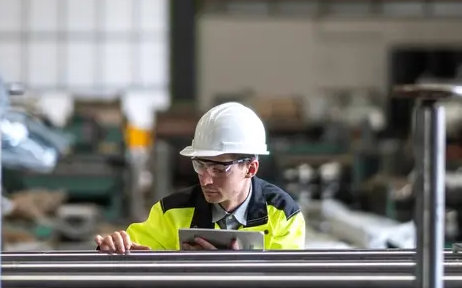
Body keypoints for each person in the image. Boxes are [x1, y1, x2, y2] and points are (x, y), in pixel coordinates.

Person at [95, 102, 305, 253]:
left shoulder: (283, 215)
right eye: (200, 165)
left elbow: (284, 284)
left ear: (250, 168)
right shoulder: (171, 212)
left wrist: (238, 269)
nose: (204, 180)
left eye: (218, 169)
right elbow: (132, 250)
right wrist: (113, 247)